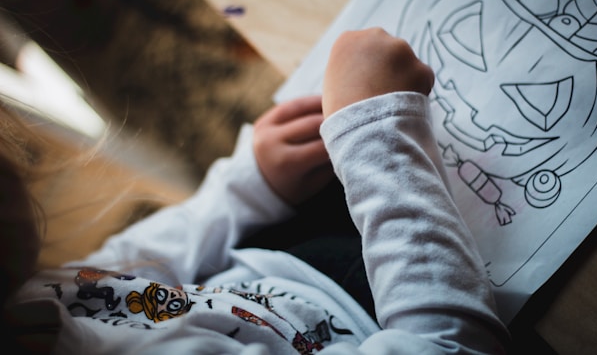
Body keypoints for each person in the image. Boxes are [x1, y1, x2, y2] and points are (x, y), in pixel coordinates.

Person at [3, 28, 509, 354]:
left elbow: (128, 270)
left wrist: (248, 186)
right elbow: (445, 345)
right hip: (398, 314)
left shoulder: (28, 302)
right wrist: (375, 132)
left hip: (278, 272)